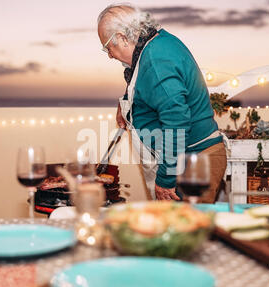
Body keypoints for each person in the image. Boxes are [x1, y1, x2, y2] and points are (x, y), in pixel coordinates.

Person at [97, 4, 227, 202]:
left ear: (123, 37)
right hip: (186, 159)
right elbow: (151, 89)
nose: (109, 55)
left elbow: (177, 122)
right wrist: (126, 104)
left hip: (193, 161)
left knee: (185, 231)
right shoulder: (154, 44)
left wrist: (166, 178)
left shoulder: (156, 61)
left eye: (108, 47)